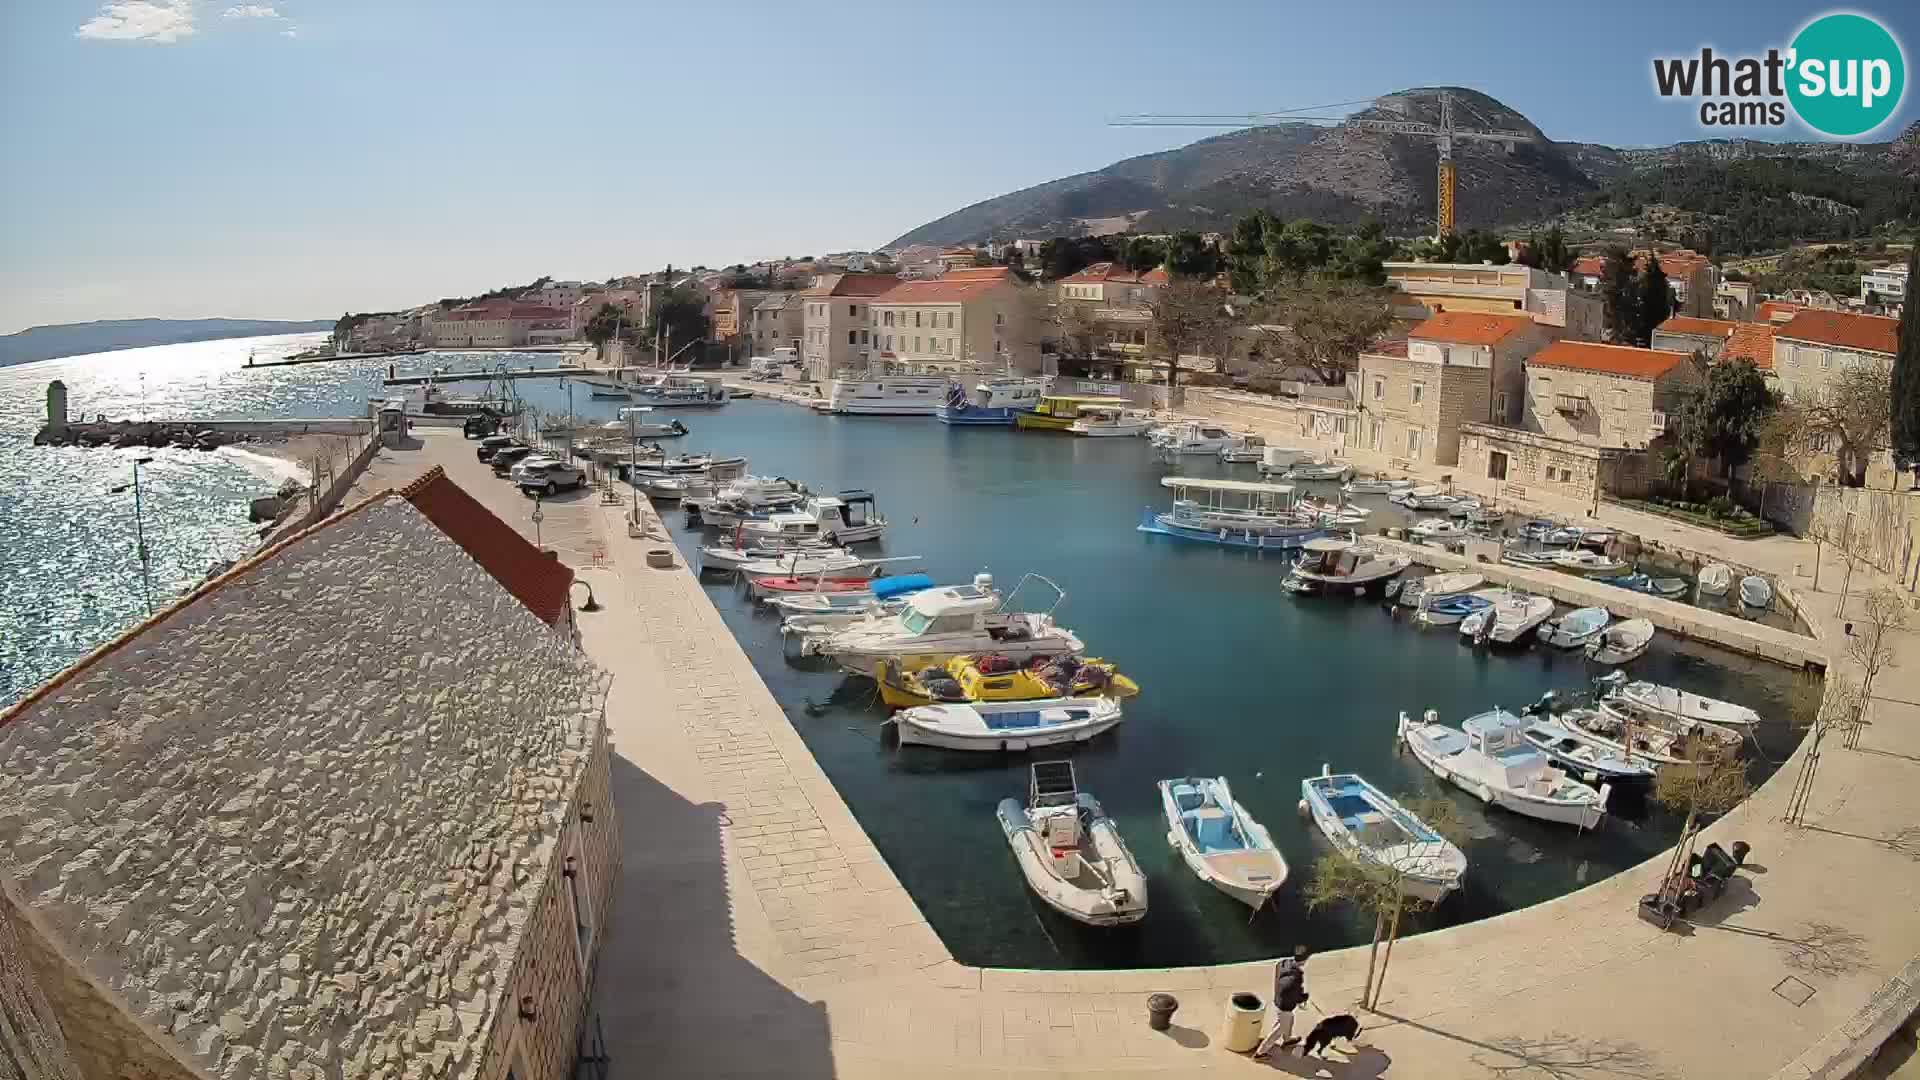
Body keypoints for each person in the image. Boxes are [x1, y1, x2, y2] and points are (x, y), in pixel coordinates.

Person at [1252, 946, 1310, 1058]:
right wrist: (1303, 998)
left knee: (1288, 1020)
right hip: (1285, 1006)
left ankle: (1287, 1040)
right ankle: (1260, 1053)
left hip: (1278, 1000)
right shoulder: (1296, 977)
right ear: (1304, 960)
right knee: (1279, 1029)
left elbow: (1283, 985)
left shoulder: (1283, 963)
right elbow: (1294, 993)